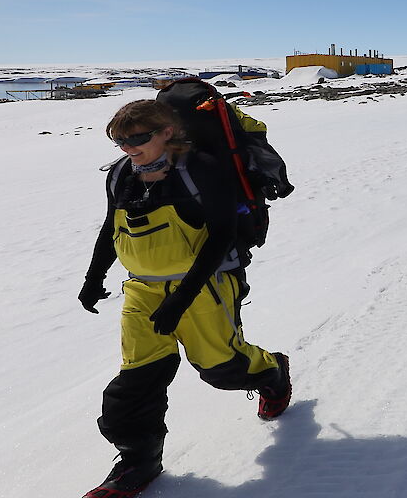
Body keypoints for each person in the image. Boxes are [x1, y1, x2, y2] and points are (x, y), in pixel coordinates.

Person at [78, 100, 291, 498]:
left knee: (223, 368)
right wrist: (93, 278)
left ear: (166, 132)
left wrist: (181, 299)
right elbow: (111, 227)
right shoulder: (123, 174)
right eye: (119, 141)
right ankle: (137, 462)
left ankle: (273, 373)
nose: (128, 148)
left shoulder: (202, 171)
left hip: (205, 286)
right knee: (137, 379)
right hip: (142, 289)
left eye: (138, 138)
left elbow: (223, 234)